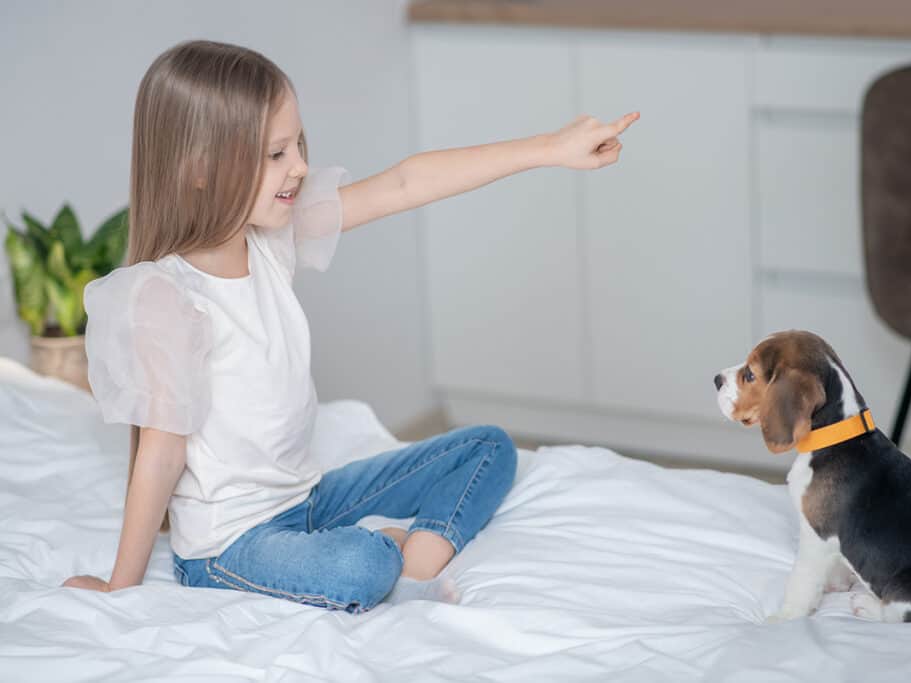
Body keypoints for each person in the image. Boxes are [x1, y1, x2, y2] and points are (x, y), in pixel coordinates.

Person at [63, 39, 638, 612]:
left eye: (297, 146)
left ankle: (412, 563)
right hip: (230, 545)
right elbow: (159, 456)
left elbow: (404, 184)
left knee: (486, 448)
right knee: (360, 566)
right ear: (200, 171)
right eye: (276, 154)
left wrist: (548, 148)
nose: (301, 167)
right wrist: (120, 587)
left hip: (307, 501)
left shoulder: (271, 242)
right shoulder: (169, 297)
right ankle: (389, 556)